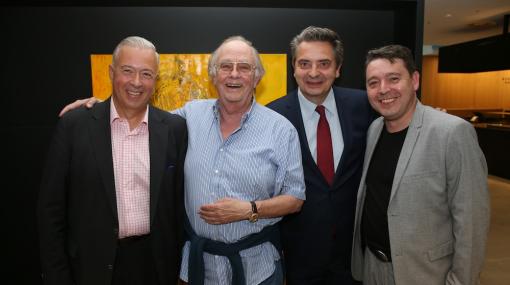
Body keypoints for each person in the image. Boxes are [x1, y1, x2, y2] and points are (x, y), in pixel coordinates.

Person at [58, 36, 306, 285]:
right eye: (225, 66)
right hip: (198, 270)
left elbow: (295, 198)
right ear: (213, 75)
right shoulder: (189, 116)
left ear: (257, 77)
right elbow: (140, 114)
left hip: (256, 269)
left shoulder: (281, 130)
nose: (234, 75)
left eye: (244, 67)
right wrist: (100, 106)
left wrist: (250, 209)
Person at [37, 36, 188, 285]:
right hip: (91, 268)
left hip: (155, 268)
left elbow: (178, 207)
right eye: (127, 71)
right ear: (111, 72)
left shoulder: (175, 129)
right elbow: (50, 212)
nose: (136, 82)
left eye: (146, 74)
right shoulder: (74, 126)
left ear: (156, 80)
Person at [351, 44, 490, 285]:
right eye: (373, 83)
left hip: (426, 274)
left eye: (393, 78)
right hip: (372, 268)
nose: (383, 89)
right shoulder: (374, 130)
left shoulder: (452, 133)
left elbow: (472, 222)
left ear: (414, 80)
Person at [267, 26, 374, 284]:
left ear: (338, 69)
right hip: (298, 254)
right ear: (294, 68)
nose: (313, 73)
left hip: (354, 254)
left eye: (324, 64)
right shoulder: (273, 116)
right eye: (304, 63)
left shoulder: (365, 106)